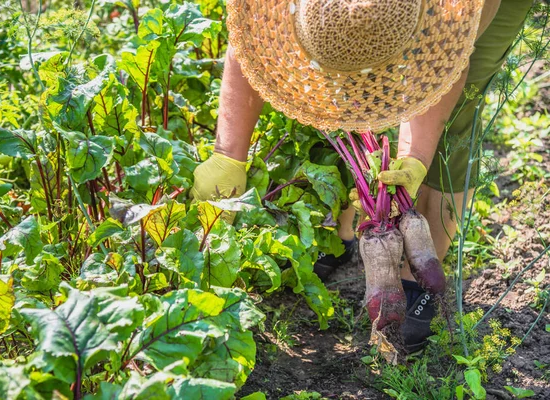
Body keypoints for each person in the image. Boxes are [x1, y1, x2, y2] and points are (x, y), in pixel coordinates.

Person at [191, 0, 533, 352]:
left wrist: (416, 157)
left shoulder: (455, 18)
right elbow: (252, 40)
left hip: (474, 10)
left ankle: (414, 284)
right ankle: (340, 236)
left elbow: (448, 68)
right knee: (342, 88)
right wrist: (228, 154)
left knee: (456, 123)